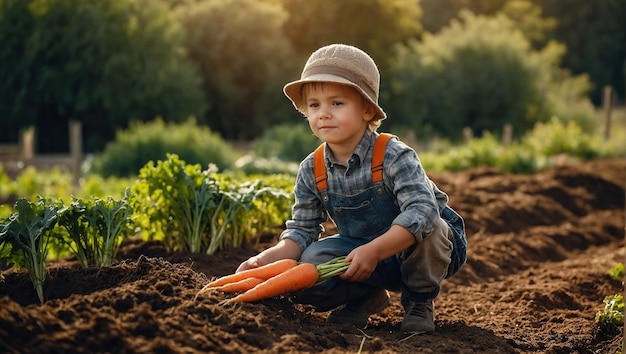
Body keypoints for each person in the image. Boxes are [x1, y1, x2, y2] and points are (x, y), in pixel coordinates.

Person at [236, 43, 467, 333]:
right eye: (314, 105)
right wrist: (264, 260)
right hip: (364, 256)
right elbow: (301, 232)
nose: (323, 114)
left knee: (432, 227)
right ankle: (366, 295)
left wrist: (374, 250)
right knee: (310, 264)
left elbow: (422, 211)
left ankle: (419, 301)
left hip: (429, 252)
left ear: (367, 110)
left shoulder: (394, 155)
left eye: (337, 103)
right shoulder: (312, 168)